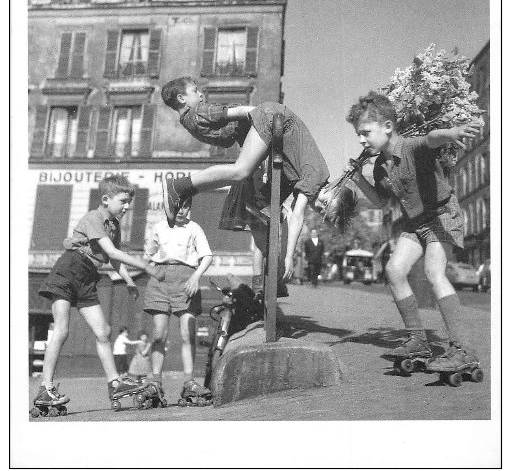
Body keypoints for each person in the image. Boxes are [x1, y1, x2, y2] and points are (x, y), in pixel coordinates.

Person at [346, 91, 482, 373]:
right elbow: (382, 202)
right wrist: (359, 178)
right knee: (394, 270)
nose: (361, 139)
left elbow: (431, 138)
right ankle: (418, 340)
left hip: (442, 216)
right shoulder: (381, 167)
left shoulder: (410, 146)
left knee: (434, 272)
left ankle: (464, 349)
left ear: (387, 126)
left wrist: (452, 132)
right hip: (414, 223)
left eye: (365, 132)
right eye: (358, 134)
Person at [160, 78, 330, 285]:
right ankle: (179, 187)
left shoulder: (192, 117)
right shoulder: (197, 113)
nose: (201, 95)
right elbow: (239, 112)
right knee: (241, 171)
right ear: (181, 98)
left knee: (253, 188)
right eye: (196, 91)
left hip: (259, 126)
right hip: (262, 121)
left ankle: (268, 273)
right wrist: (264, 112)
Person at [34, 174, 164, 412]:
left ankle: (114, 383)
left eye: (129, 203)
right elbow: (112, 253)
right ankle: (46, 388)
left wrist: (129, 281)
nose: (126, 207)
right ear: (106, 199)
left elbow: (114, 259)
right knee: (62, 329)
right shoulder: (94, 217)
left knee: (103, 331)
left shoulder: (113, 227)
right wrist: (145, 266)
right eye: (123, 201)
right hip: (69, 270)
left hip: (87, 277)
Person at [143, 197, 213, 403]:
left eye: (184, 207)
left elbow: (207, 256)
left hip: (186, 278)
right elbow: (148, 255)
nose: (180, 211)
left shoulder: (194, 228)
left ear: (189, 207)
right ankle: (155, 382)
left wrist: (195, 277)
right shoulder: (158, 227)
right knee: (158, 335)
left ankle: (189, 382)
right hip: (161, 278)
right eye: (176, 207)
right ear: (167, 207)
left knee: (187, 334)